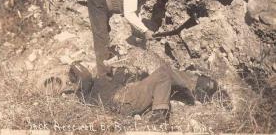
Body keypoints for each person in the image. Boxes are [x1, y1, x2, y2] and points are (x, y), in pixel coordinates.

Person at [69, 50, 218, 124]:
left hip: (126, 98)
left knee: (162, 74)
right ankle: (160, 112)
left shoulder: (93, 88)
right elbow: (83, 75)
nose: (91, 66)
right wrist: (120, 67)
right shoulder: (92, 85)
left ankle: (195, 85)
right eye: (87, 66)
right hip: (124, 98)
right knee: (163, 72)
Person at [87, 0, 168, 76]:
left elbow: (136, 13)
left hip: (107, 6)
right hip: (98, 1)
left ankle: (107, 59)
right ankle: (103, 75)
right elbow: (129, 14)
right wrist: (146, 31)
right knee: (101, 36)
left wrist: (139, 33)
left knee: (105, 31)